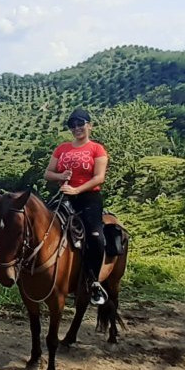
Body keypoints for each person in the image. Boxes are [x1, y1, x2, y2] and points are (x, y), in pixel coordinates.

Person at [43, 108, 109, 305]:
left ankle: (94, 282)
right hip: (64, 197)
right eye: (72, 125)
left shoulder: (97, 149)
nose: (76, 128)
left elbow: (99, 177)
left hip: (89, 198)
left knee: (96, 236)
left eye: (80, 124)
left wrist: (77, 190)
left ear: (90, 125)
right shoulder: (61, 148)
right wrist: (61, 177)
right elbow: (48, 173)